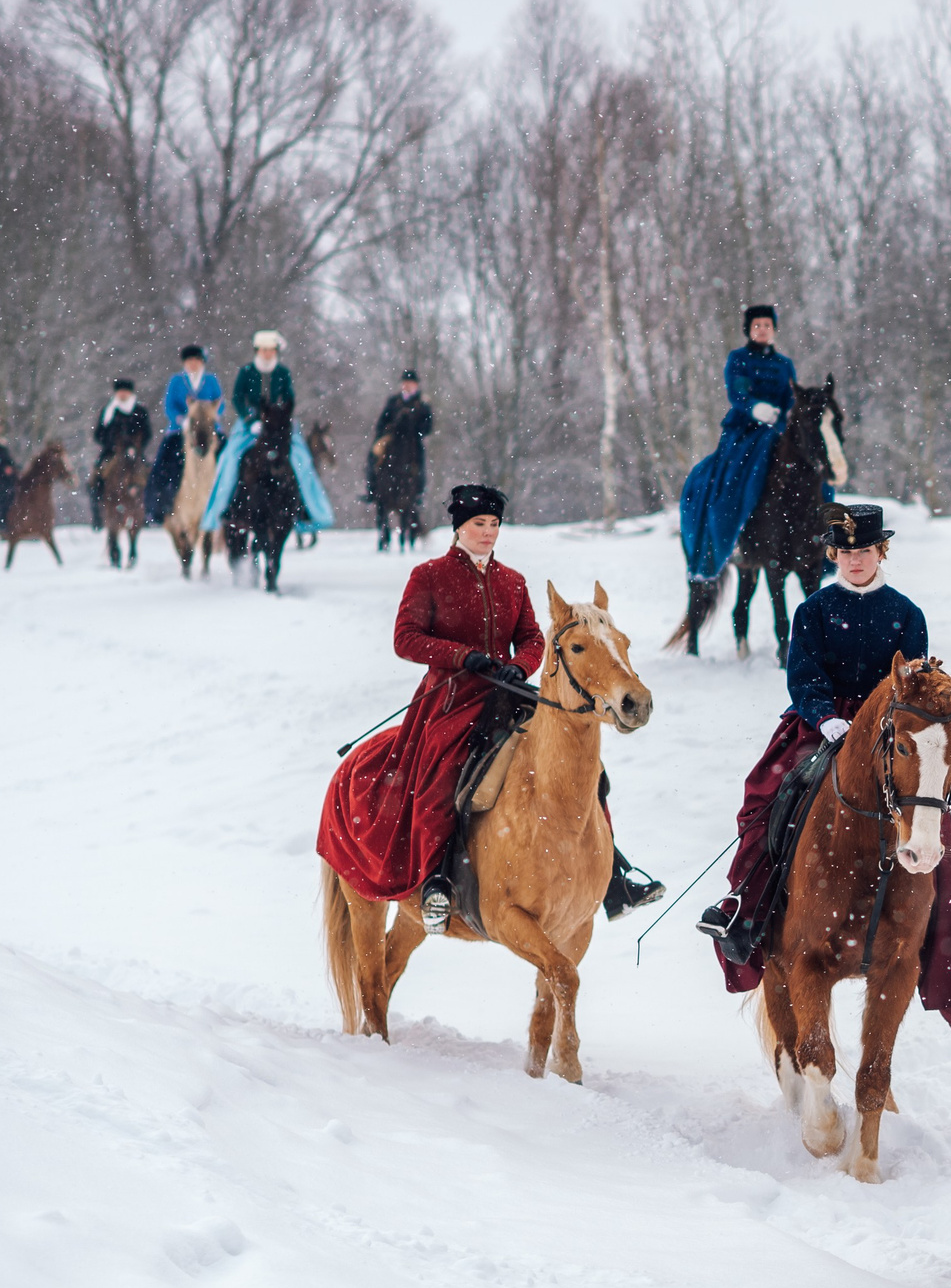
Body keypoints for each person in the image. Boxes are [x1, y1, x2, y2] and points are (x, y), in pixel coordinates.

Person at [316, 484, 664, 934]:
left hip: (509, 697)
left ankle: (613, 878)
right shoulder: (429, 576)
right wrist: (463, 657)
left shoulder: (513, 581)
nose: (487, 533)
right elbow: (405, 639)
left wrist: (519, 666)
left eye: (494, 524)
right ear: (459, 526)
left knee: (584, 773)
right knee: (445, 773)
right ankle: (437, 881)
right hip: (450, 699)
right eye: (479, 524)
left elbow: (535, 638)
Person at [697, 502, 951, 1032]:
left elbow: (916, 685)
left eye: (866, 551)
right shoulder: (812, 611)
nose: (856, 561)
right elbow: (803, 674)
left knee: (931, 817)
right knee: (767, 798)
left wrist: (892, 728)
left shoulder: (906, 612)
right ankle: (746, 907)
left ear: (882, 553)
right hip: (823, 728)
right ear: (834, 555)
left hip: (893, 735)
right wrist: (825, 716)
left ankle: (946, 940)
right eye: (847, 552)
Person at [678, 304, 797, 584]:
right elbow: (737, 392)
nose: (762, 329)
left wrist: (787, 413)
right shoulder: (739, 358)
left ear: (774, 329)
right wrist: (755, 408)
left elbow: (791, 396)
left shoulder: (784, 364)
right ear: (748, 330)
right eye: (757, 325)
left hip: (779, 427)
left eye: (767, 325)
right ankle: (733, 533)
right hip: (745, 430)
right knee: (736, 475)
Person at [202, 330, 336, 533]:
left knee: (302, 460)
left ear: (276, 351)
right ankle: (224, 508)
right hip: (249, 427)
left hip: (279, 425)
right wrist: (251, 419)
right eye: (264, 350)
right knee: (229, 460)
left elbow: (289, 397)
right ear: (257, 351)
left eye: (271, 350)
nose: (267, 354)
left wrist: (278, 415)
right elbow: (238, 398)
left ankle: (306, 509)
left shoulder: (282, 372)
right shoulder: (246, 372)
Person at [147, 345, 221, 524]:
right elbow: (169, 406)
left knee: (227, 457)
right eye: (189, 361)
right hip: (180, 431)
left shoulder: (211, 381)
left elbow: (220, 403)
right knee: (162, 464)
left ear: (202, 362)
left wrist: (211, 417)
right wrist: (183, 420)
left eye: (196, 360)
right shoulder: (176, 381)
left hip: (208, 431)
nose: (192, 364)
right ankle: (160, 505)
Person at [368, 368, 435, 547]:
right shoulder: (393, 401)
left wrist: (414, 426)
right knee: (373, 455)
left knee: (419, 465)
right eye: (404, 382)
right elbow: (381, 422)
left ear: (416, 385)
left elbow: (427, 427)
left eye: (410, 383)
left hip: (412, 443)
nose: (406, 386)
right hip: (393, 439)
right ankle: (372, 487)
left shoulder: (422, 404)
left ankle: (418, 493)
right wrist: (390, 426)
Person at [91, 378, 151, 526]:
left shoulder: (139, 411)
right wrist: (112, 446)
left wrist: (135, 447)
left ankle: (147, 512)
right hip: (111, 453)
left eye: (125, 391)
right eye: (120, 391)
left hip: (135, 453)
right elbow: (99, 434)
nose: (123, 394)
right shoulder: (108, 411)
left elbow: (147, 433)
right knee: (95, 479)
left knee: (149, 476)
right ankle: (97, 515)